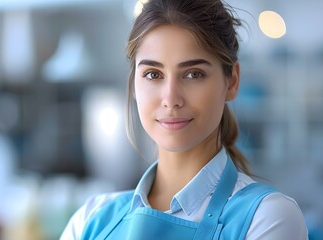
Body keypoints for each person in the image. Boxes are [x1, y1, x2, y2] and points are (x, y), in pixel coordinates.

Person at [60, 0, 309, 239]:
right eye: (153, 74)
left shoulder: (268, 218)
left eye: (193, 74)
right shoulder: (91, 219)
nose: (171, 98)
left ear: (232, 81)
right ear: (134, 84)